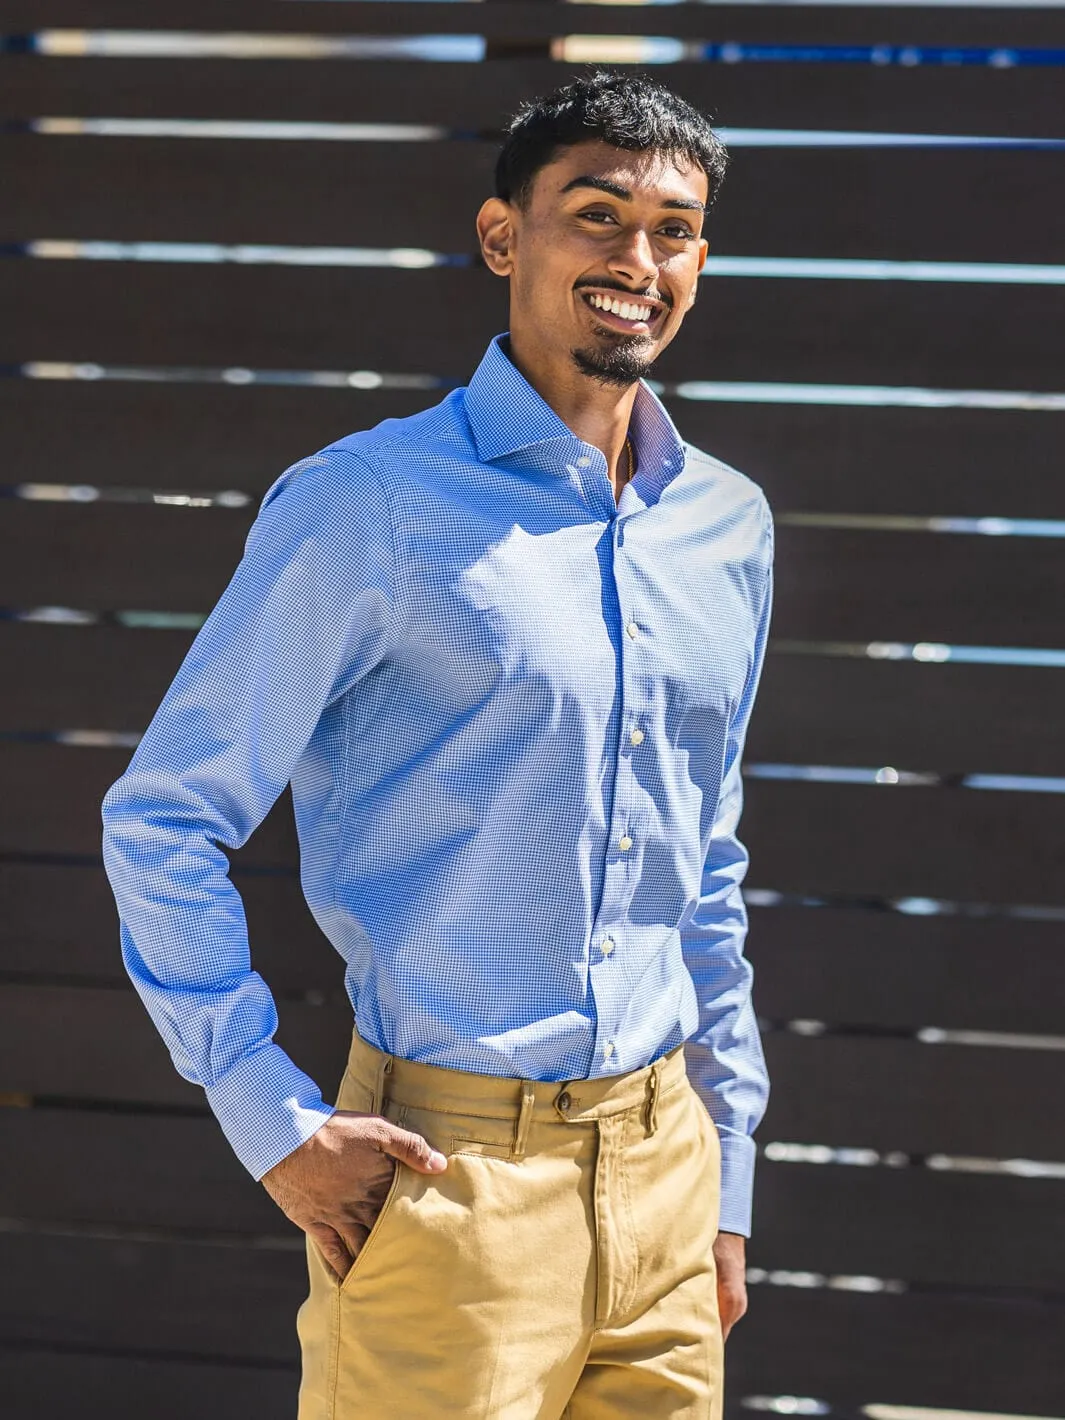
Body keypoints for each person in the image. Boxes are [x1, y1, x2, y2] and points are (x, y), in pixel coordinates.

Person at [100, 70, 774, 1419]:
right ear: (503, 238)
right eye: (598, 215)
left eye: (674, 228)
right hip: (448, 1178)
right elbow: (163, 819)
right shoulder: (368, 503)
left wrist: (726, 1158)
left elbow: (702, 858)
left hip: (666, 1175)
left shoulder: (729, 527)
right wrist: (269, 1119)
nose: (637, 258)